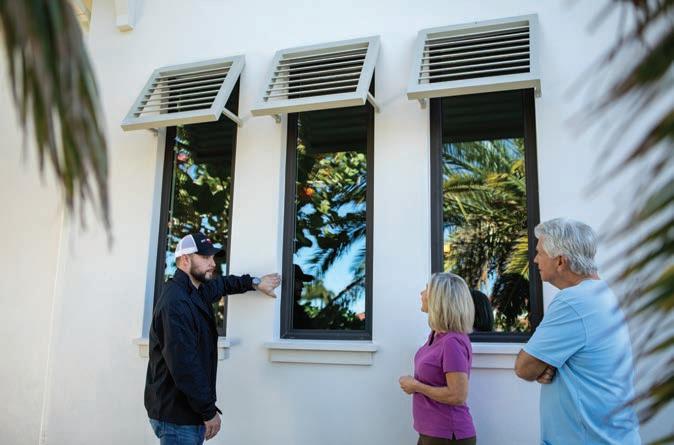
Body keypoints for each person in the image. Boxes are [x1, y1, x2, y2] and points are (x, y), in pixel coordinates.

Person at [145, 232, 281, 445]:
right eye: (205, 257)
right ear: (185, 260)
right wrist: (208, 412)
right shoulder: (176, 303)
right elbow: (184, 365)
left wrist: (256, 282)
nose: (212, 263)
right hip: (178, 416)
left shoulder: (196, 290)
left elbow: (224, 284)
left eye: (213, 257)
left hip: (185, 411)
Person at [514, 218, 640, 444]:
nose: (535, 260)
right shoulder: (600, 292)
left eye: (539, 252)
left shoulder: (573, 301)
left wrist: (544, 364)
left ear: (560, 261)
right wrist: (548, 363)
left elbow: (525, 368)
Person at [399, 273, 477, 445]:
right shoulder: (435, 336)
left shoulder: (452, 341)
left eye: (427, 289)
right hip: (432, 432)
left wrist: (416, 386)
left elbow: (457, 395)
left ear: (439, 299)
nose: (421, 293)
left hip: (447, 434)